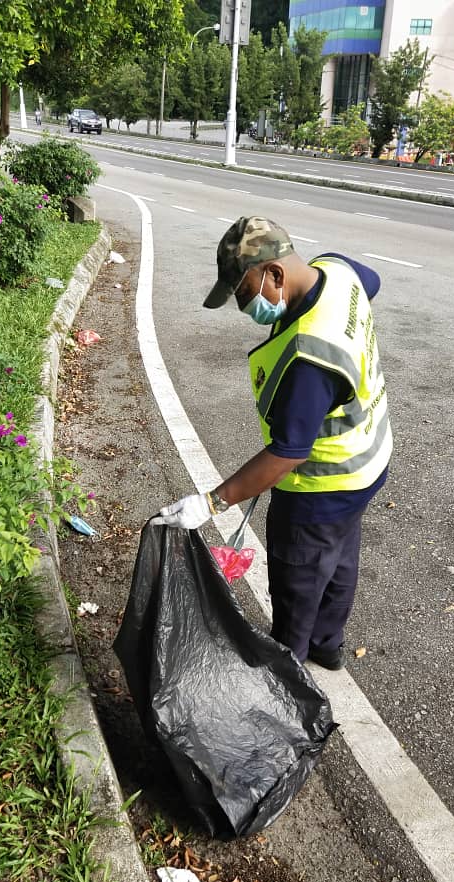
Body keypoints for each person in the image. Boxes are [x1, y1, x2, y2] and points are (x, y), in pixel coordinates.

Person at [151, 217, 392, 670]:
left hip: (322, 486)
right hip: (369, 459)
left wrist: (212, 502)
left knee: (297, 583)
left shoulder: (308, 356)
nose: (246, 308)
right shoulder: (337, 271)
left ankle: (289, 677)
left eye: (245, 294)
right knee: (338, 559)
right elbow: (371, 282)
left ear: (275, 274)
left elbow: (289, 452)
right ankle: (327, 644)